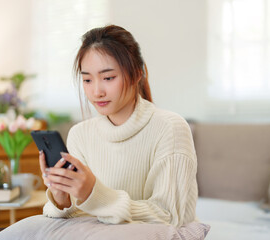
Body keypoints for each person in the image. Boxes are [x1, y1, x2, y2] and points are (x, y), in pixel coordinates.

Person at [39, 24, 199, 227]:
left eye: (108, 78)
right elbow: (78, 217)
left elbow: (170, 217)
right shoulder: (80, 134)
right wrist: (62, 197)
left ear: (137, 74)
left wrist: (93, 193)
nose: (97, 91)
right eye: (87, 79)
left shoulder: (170, 128)